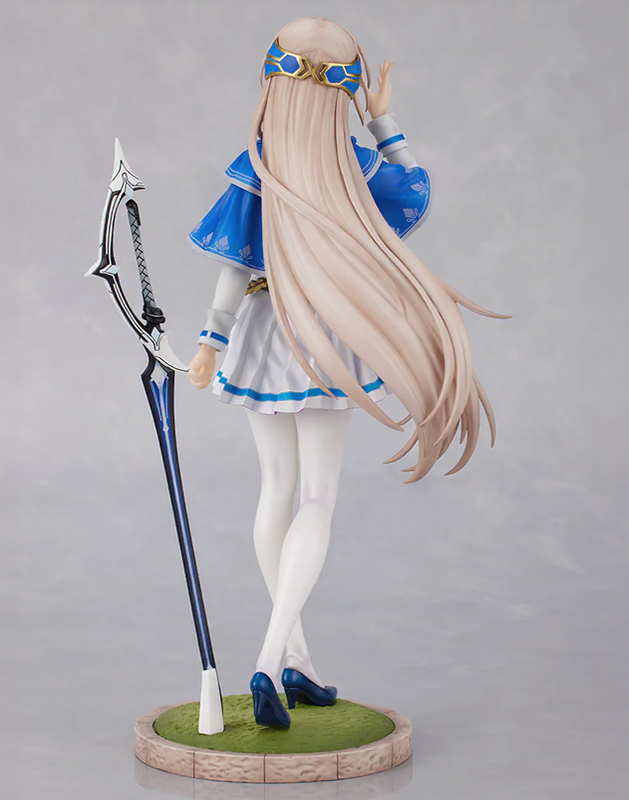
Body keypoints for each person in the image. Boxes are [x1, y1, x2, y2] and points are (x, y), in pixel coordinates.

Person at [187, 17, 505, 729]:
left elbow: (234, 265)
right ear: (345, 95)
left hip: (266, 333)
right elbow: (413, 187)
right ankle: (281, 658)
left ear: (272, 83)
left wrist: (211, 341)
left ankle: (287, 660)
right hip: (329, 333)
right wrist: (383, 120)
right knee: (317, 498)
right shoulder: (355, 168)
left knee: (276, 489)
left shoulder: (259, 166)